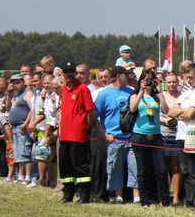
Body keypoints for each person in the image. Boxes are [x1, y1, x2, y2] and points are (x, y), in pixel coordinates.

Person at [167, 63, 195, 209]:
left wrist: (182, 112)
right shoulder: (186, 92)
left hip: (193, 135)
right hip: (180, 135)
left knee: (194, 170)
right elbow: (171, 112)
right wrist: (184, 112)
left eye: (191, 77)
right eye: (187, 78)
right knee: (184, 170)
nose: (189, 80)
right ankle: (189, 200)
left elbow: (190, 114)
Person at [94, 66, 139, 204]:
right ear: (119, 76)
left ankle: (136, 196)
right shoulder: (104, 94)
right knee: (114, 168)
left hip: (131, 137)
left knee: (135, 167)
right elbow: (94, 117)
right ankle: (118, 196)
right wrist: (104, 134)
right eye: (126, 75)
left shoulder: (131, 92)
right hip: (113, 138)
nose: (128, 77)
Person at [128, 68, 169, 205]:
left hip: (156, 137)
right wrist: (141, 90)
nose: (148, 82)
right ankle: (145, 200)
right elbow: (132, 108)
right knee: (143, 170)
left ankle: (164, 199)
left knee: (161, 170)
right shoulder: (135, 95)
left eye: (151, 80)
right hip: (140, 136)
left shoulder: (156, 97)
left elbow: (165, 110)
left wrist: (160, 92)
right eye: (146, 80)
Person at [58, 62, 97, 203]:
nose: (68, 74)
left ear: (75, 73)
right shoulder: (64, 89)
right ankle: (68, 194)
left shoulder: (82, 89)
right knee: (65, 166)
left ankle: (84, 195)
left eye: (71, 71)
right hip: (64, 135)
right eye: (66, 72)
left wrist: (86, 128)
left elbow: (90, 112)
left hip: (78, 135)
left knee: (81, 167)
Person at [160, 73, 183, 205]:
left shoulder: (182, 96)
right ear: (165, 83)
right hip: (163, 134)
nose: (171, 84)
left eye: (174, 82)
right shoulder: (162, 96)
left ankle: (176, 197)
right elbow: (157, 115)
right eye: (169, 82)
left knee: (176, 168)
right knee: (163, 168)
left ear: (177, 82)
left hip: (177, 135)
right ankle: (165, 195)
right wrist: (166, 121)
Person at [7, 74, 33, 184]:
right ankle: (21, 175)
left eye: (17, 83)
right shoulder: (15, 94)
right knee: (18, 153)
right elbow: (8, 108)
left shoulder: (28, 93)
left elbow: (33, 109)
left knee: (25, 153)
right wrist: (8, 94)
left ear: (23, 82)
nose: (15, 85)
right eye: (13, 84)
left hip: (23, 128)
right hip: (15, 128)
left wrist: (26, 123)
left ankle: (28, 176)